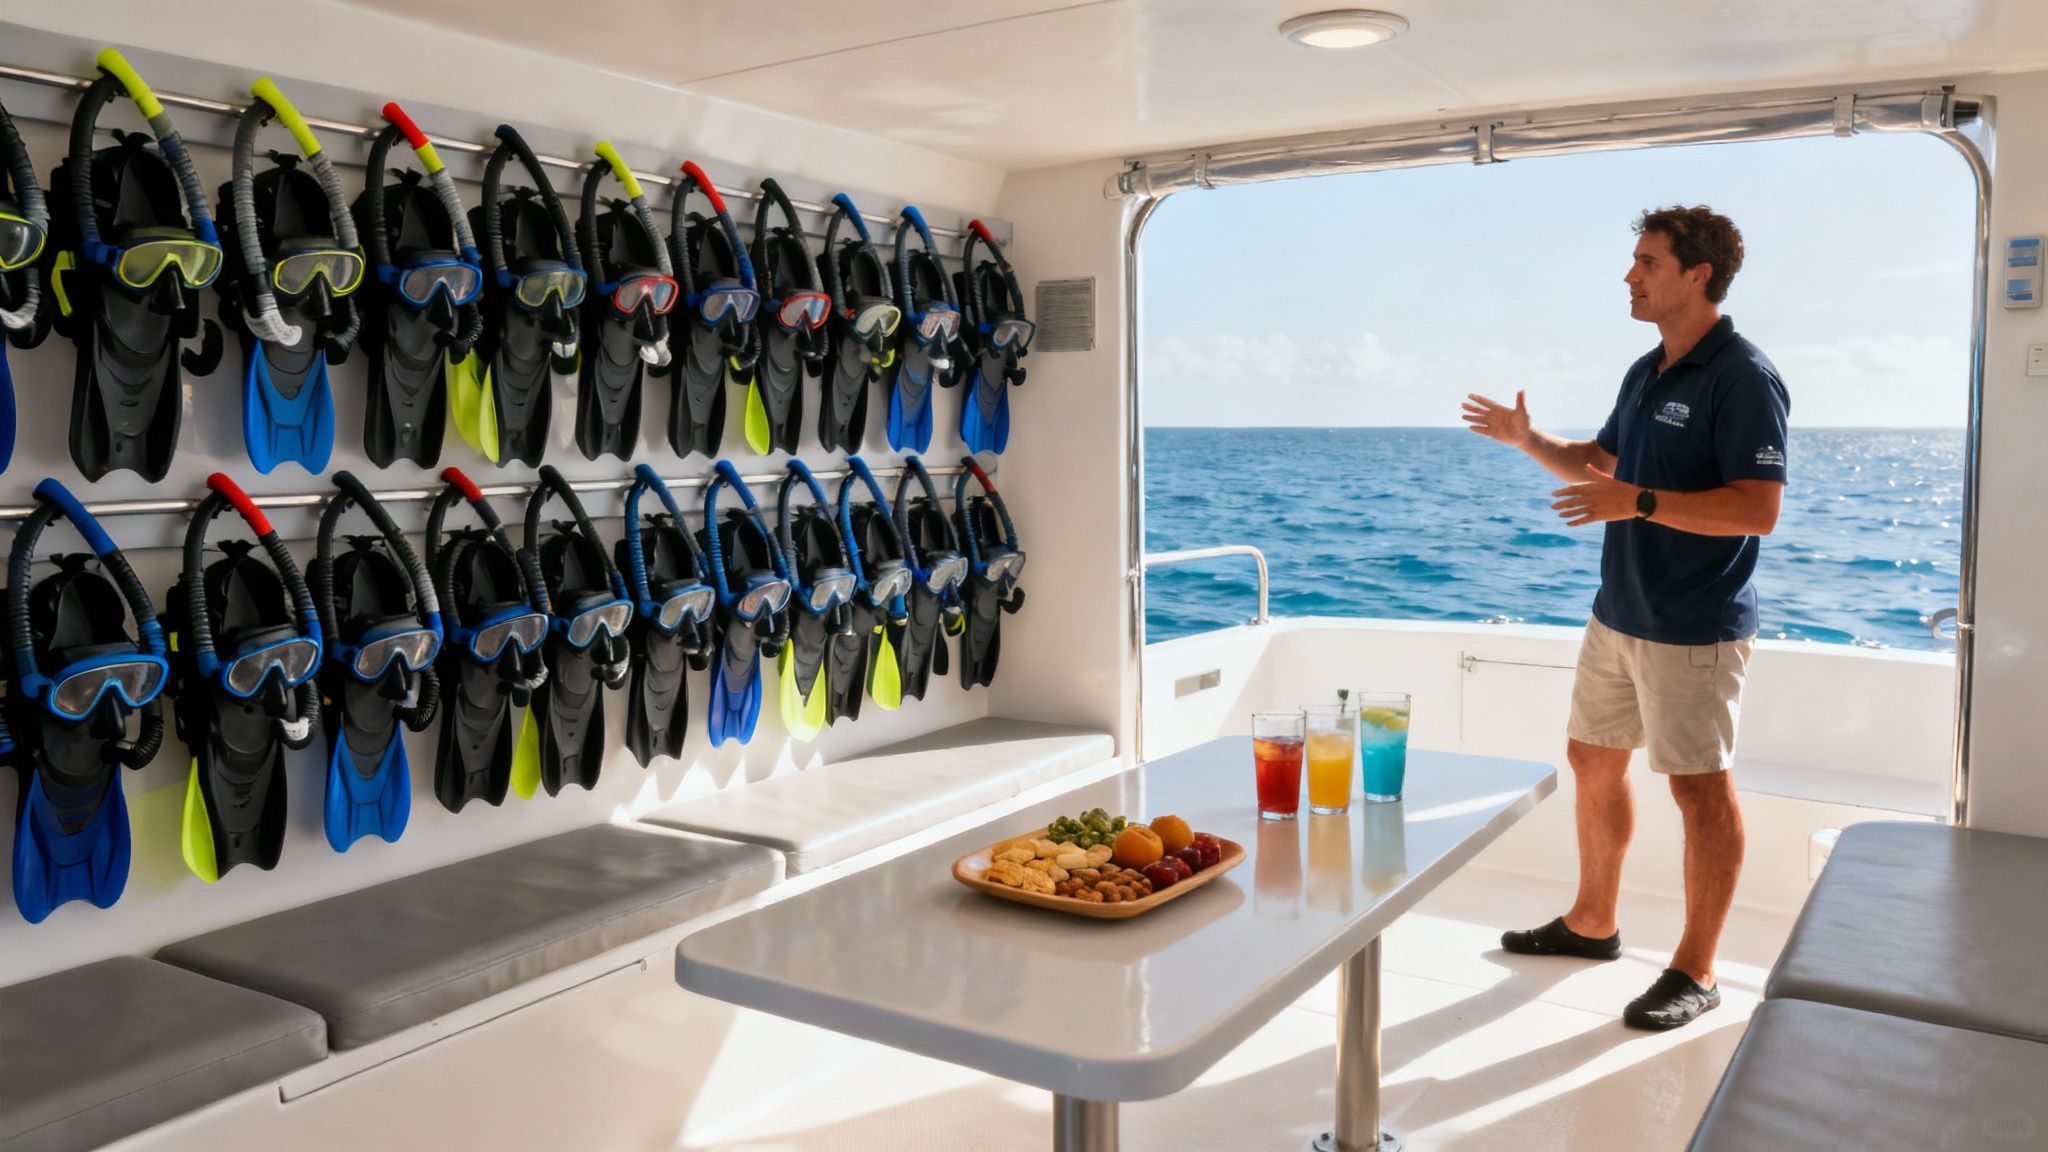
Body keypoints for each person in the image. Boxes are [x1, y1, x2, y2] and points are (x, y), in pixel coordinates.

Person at [1461, 205, 1789, 1031]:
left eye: (1647, 262)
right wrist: (1527, 438)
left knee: (1698, 791)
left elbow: (1756, 510)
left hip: (1694, 624)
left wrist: (1639, 501)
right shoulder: (1647, 370)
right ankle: (1592, 923)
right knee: (1591, 758)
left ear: (1696, 275)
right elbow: (1598, 466)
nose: (1630, 275)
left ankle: (1697, 968)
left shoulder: (1743, 376)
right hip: (1619, 613)